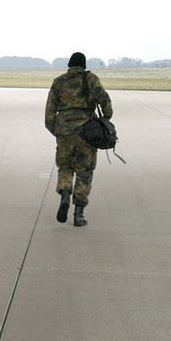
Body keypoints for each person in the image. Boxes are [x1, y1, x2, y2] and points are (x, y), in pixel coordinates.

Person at [45, 52, 113, 226]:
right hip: (86, 132)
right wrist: (104, 120)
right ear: (83, 65)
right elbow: (105, 101)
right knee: (85, 171)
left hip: (64, 132)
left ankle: (66, 193)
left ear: (69, 65)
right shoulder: (90, 80)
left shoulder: (59, 82)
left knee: (65, 166)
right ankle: (79, 213)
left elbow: (50, 112)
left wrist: (57, 130)